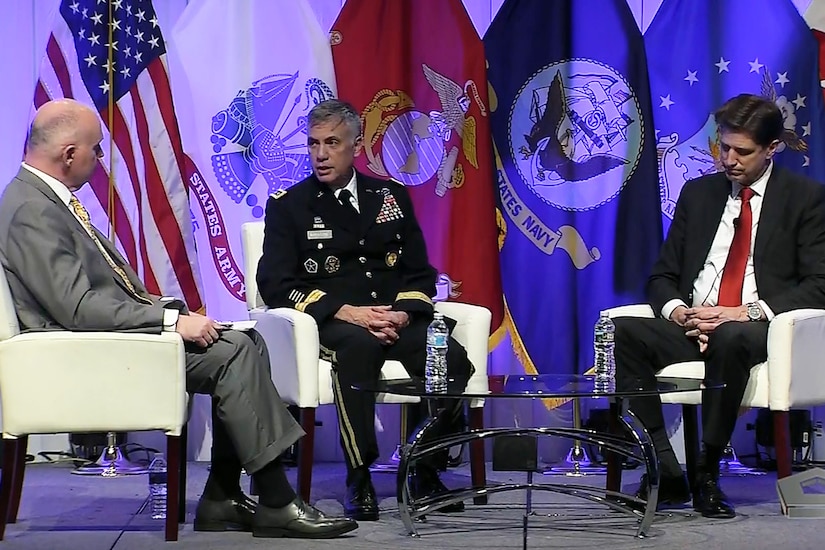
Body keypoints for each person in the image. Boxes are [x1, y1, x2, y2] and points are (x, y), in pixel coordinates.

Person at [0, 99, 358, 539]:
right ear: (69, 154)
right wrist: (170, 323)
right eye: (96, 150)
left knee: (246, 343)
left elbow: (98, 294)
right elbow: (78, 308)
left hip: (105, 340)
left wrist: (172, 311)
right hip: (84, 354)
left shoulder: (43, 199)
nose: (100, 161)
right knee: (233, 354)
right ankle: (276, 499)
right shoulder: (32, 208)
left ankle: (222, 498)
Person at [257, 99, 475, 521]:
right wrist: (348, 312)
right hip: (338, 322)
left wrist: (402, 313)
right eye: (313, 144)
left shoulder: (390, 195)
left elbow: (419, 272)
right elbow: (275, 283)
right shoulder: (289, 205)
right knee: (358, 352)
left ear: (355, 145)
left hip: (395, 317)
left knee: (450, 359)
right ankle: (360, 474)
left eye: (332, 143)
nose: (320, 154)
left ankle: (423, 465)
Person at [614, 93, 825, 518]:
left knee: (729, 337)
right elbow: (661, 276)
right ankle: (665, 470)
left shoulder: (805, 198)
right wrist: (679, 312)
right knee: (622, 332)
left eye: (742, 152)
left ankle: (706, 473)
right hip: (693, 324)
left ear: (771, 149)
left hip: (754, 327)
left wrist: (742, 312)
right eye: (723, 147)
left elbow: (819, 284)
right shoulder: (699, 194)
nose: (729, 159)